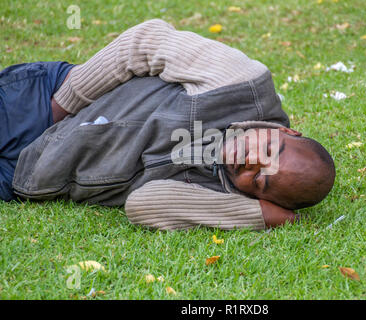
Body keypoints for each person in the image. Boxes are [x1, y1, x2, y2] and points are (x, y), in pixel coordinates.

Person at [1, 19, 335, 230]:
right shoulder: (241, 83)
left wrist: (257, 216)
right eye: (266, 150)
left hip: (26, 175)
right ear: (286, 132)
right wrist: (63, 104)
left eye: (260, 179)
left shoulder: (225, 193)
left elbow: (143, 205)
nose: (248, 162)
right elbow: (145, 41)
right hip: (38, 107)